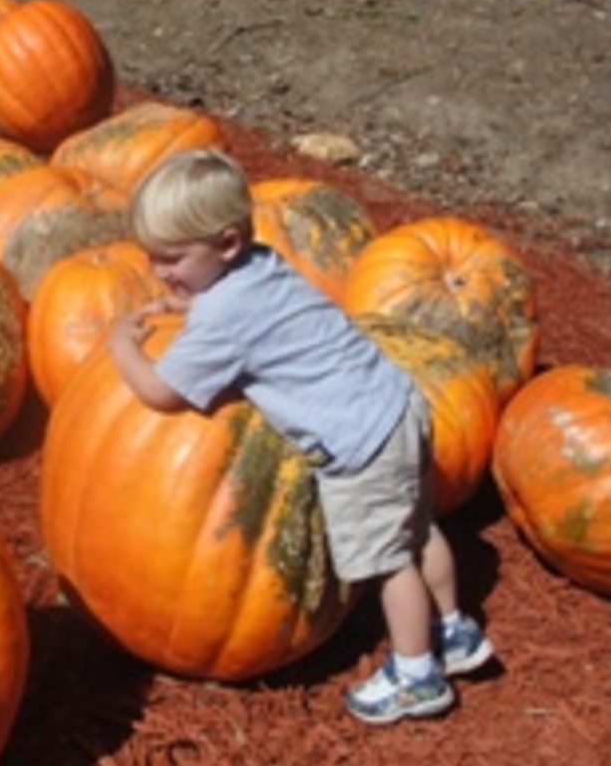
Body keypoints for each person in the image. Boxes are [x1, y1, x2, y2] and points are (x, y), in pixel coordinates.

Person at [106, 148, 495, 724]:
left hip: (357, 447)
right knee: (417, 529)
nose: (159, 271)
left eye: (171, 259)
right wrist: (188, 299)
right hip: (397, 406)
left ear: (226, 245)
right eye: (152, 258)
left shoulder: (221, 318)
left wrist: (122, 345)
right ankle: (454, 631)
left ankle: (417, 676)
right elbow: (246, 313)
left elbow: (162, 392)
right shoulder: (260, 263)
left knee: (388, 561)